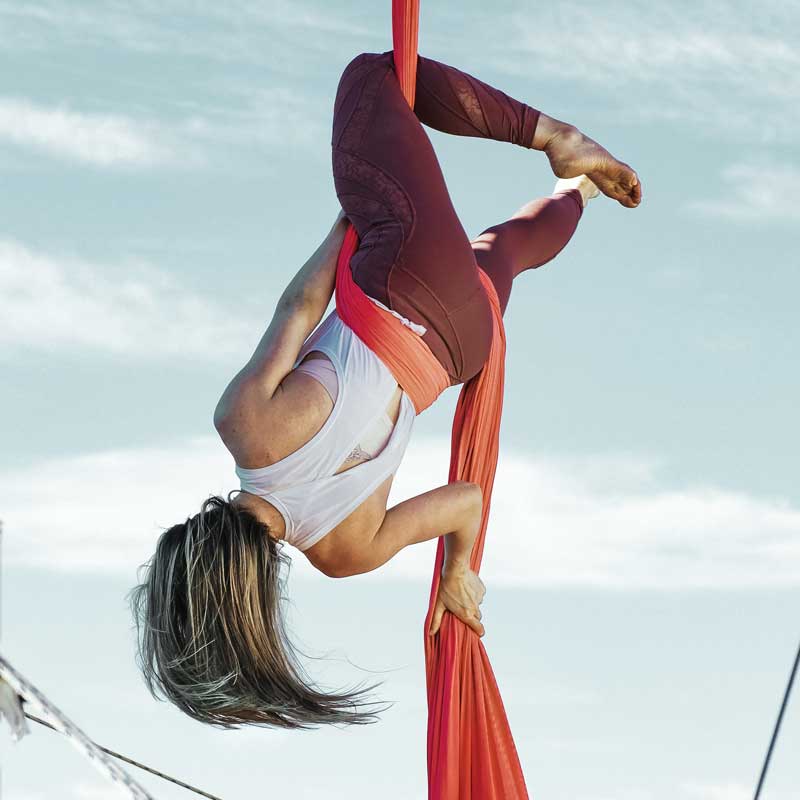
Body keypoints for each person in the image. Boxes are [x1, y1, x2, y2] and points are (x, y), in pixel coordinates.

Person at [129, 50, 641, 731]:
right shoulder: (244, 427)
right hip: (404, 274)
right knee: (370, 77)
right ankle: (558, 140)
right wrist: (351, 217)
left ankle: (578, 190)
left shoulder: (345, 553)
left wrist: (458, 573)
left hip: (458, 346)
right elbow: (299, 307)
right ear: (188, 547)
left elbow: (467, 501)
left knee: (505, 252)